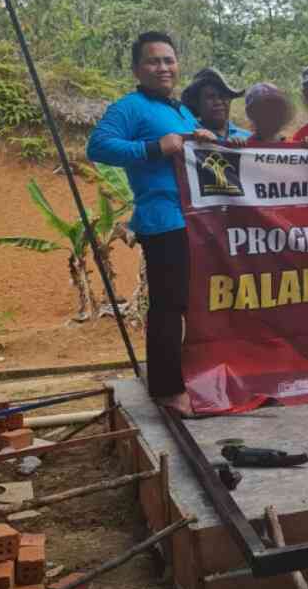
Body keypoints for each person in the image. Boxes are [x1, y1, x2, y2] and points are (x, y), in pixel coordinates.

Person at [86, 31, 218, 405]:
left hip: (196, 220)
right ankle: (168, 390)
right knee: (169, 305)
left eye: (169, 60)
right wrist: (153, 147)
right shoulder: (129, 107)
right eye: (153, 61)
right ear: (137, 69)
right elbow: (98, 146)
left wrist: (201, 137)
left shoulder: (179, 110)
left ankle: (191, 376)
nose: (163, 67)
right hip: (164, 221)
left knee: (194, 304)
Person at [178, 68, 249, 143]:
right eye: (210, 97)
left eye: (223, 96)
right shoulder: (187, 136)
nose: (218, 102)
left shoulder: (247, 138)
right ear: (197, 103)